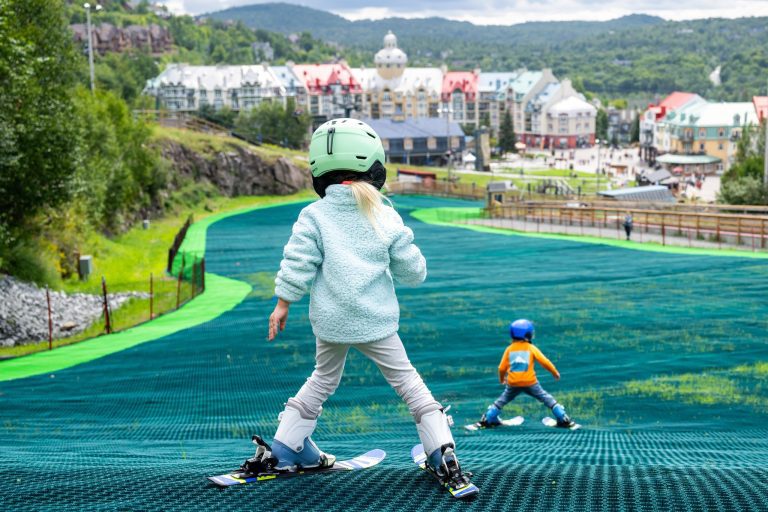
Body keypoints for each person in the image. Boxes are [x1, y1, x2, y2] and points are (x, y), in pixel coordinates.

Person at [255, 118, 470, 488]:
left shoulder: (314, 215)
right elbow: (413, 272)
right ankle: (441, 450)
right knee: (407, 382)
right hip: (376, 323)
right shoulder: (383, 213)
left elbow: (298, 261)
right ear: (374, 163)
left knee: (322, 379)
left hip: (331, 323)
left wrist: (283, 303)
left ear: (318, 169)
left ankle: (286, 445)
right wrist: (408, 255)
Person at [479, 319, 575, 428]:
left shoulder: (509, 349)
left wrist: (502, 379)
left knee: (502, 400)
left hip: (513, 383)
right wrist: (555, 372)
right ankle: (562, 417)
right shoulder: (531, 348)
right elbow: (545, 362)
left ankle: (489, 417)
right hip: (530, 382)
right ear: (528, 335)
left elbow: (501, 368)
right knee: (546, 398)